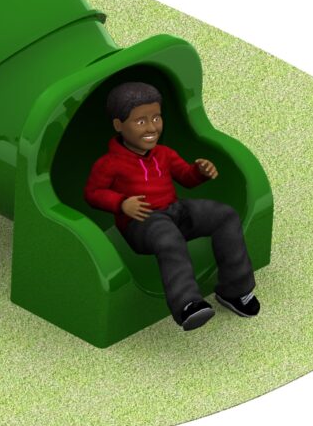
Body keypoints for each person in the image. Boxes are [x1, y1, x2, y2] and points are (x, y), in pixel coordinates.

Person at [82, 80, 261, 331]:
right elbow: (92, 193)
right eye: (141, 121)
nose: (152, 127)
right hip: (141, 223)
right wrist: (121, 203)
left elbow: (185, 177)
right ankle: (187, 304)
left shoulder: (164, 154)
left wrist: (200, 172)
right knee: (168, 236)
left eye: (156, 118)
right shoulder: (109, 163)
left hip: (174, 211)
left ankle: (235, 290)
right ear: (118, 125)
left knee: (224, 215)